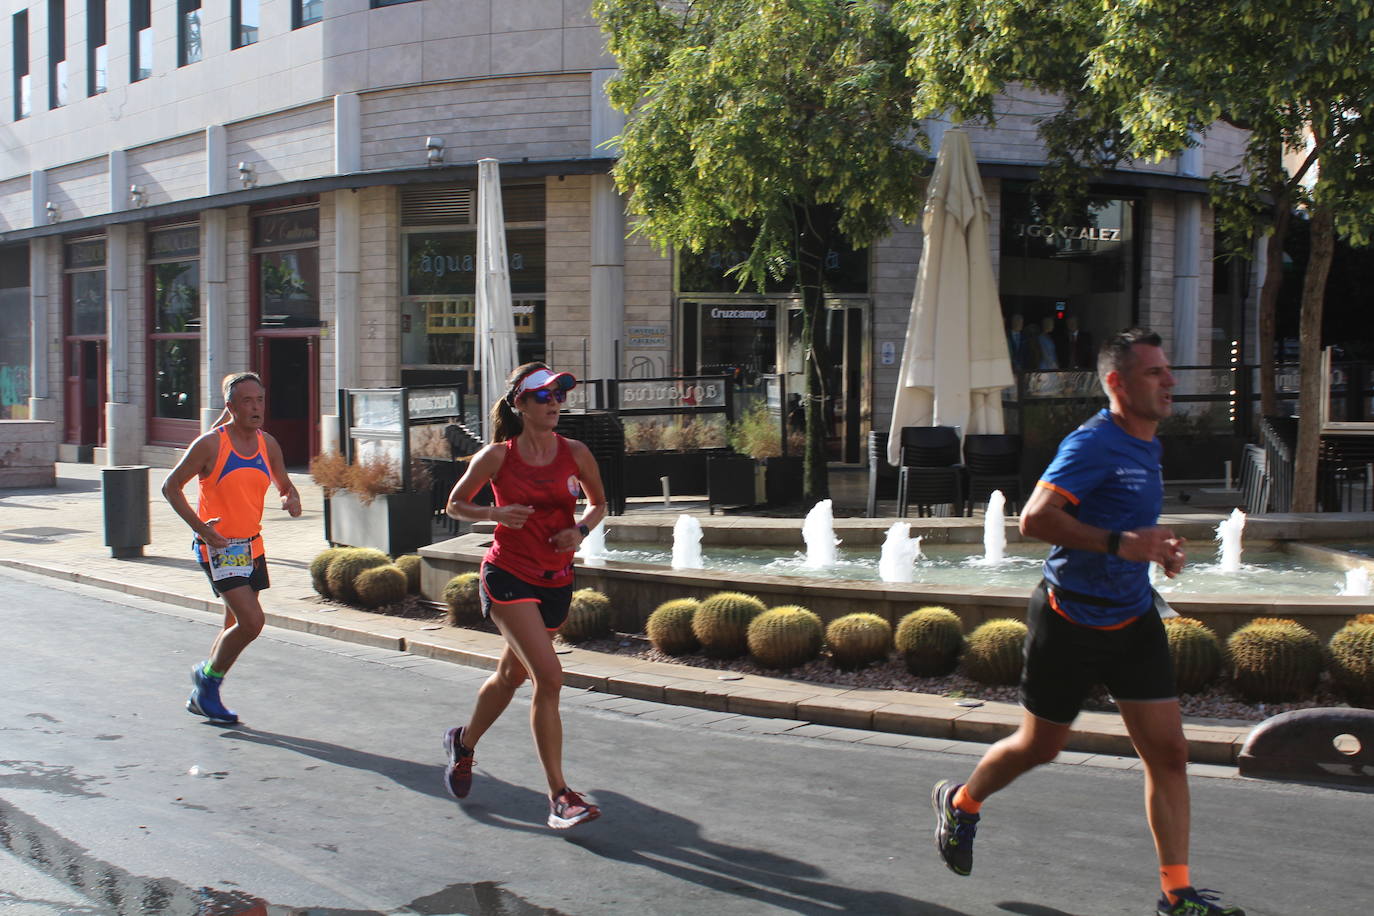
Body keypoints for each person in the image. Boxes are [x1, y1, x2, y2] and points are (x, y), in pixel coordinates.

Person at [930, 329, 1244, 916]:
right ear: (1117, 383)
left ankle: (1177, 895)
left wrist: (1158, 549)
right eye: (1155, 373)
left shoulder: (1148, 444)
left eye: (1166, 370)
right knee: (1038, 746)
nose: (1170, 381)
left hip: (1131, 620)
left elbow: (1128, 530)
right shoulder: (1092, 443)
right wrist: (1119, 543)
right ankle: (963, 802)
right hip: (1068, 618)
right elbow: (1034, 520)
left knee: (1170, 754)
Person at [442, 363, 609, 830]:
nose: (553, 402)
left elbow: (599, 503)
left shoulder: (575, 452)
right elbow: (454, 504)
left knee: (510, 676)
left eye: (558, 394)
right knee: (549, 678)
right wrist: (495, 511)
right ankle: (560, 796)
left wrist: (579, 530)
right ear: (520, 404)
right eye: (542, 396)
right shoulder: (497, 456)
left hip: (556, 578)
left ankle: (463, 742)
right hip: (507, 574)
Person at [163, 372, 302, 725]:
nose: (256, 407)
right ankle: (207, 681)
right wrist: (201, 530)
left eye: (260, 400)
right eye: (246, 401)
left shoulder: (267, 443)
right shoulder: (210, 445)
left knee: (233, 623)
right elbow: (170, 487)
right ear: (231, 407)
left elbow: (284, 484)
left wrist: (291, 496)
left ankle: (202, 693)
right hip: (219, 547)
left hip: (252, 547)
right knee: (252, 622)